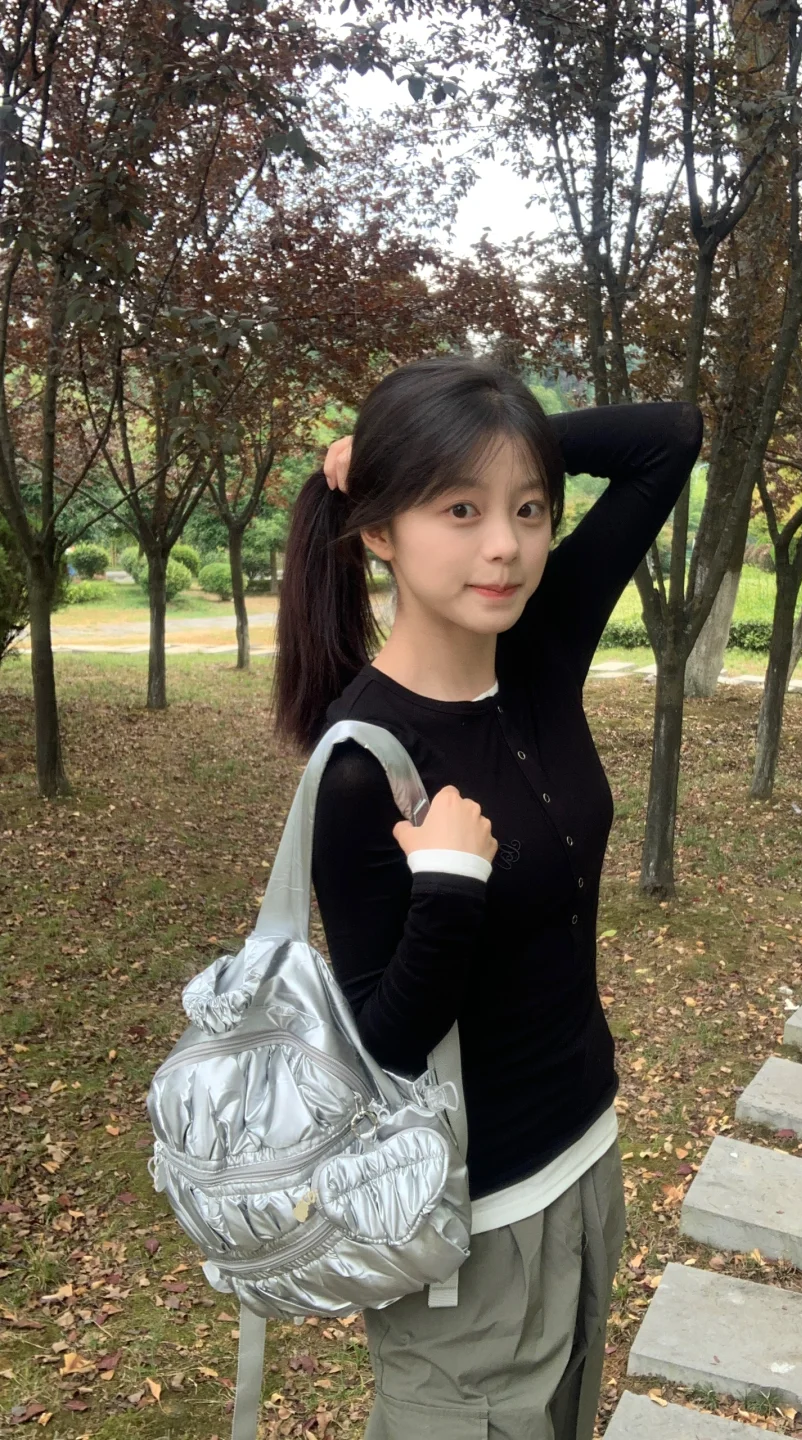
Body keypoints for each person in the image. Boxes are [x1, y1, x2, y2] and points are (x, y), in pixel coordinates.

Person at [271, 354, 703, 1440]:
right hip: (470, 1227)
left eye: (528, 509)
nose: (504, 545)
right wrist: (450, 887)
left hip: (588, 1158)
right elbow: (384, 1043)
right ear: (380, 532)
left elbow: (669, 438)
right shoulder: (362, 764)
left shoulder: (540, 648)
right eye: (458, 509)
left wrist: (461, 440)